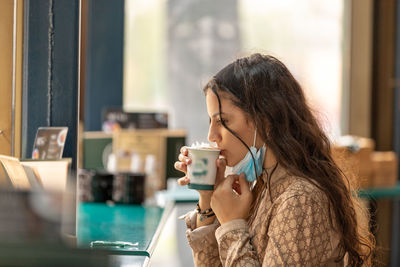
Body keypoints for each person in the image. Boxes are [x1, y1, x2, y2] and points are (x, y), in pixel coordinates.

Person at [174, 53, 374, 266]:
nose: (211, 136)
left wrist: (232, 225)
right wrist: (208, 199)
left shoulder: (300, 199)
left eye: (223, 121)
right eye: (211, 121)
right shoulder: (262, 186)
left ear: (265, 120)